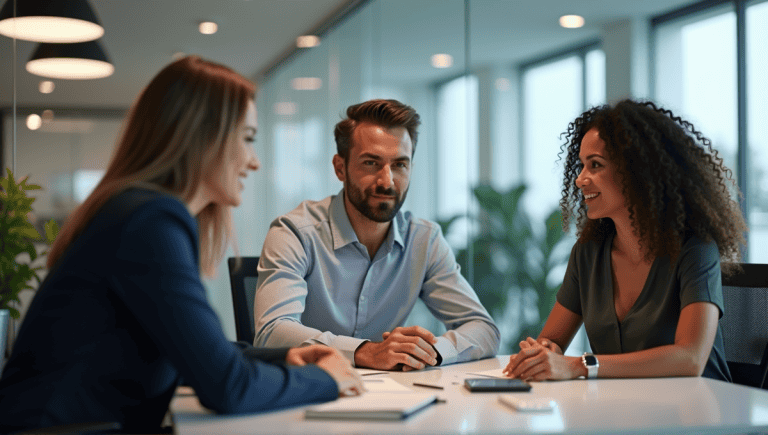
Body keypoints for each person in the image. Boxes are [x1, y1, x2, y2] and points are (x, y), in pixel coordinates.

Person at [0, 56, 363, 434]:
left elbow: (194, 349)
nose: (253, 161)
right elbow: (226, 386)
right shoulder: (148, 221)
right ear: (202, 136)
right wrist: (328, 380)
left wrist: (286, 356)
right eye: (247, 138)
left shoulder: (137, 210)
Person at [503, 99, 747, 382]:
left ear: (638, 172)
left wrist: (579, 366)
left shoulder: (695, 249)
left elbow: (690, 358)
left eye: (595, 165)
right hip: (622, 413)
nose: (580, 179)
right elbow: (551, 341)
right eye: (581, 166)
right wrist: (542, 354)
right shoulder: (588, 253)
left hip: (701, 416)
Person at [253, 99, 500, 371]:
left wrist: (429, 351)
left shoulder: (424, 240)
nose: (387, 181)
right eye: (371, 163)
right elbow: (272, 332)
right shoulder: (295, 233)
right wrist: (365, 352)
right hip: (310, 391)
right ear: (340, 167)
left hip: (393, 395)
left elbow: (484, 329)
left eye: (399, 165)